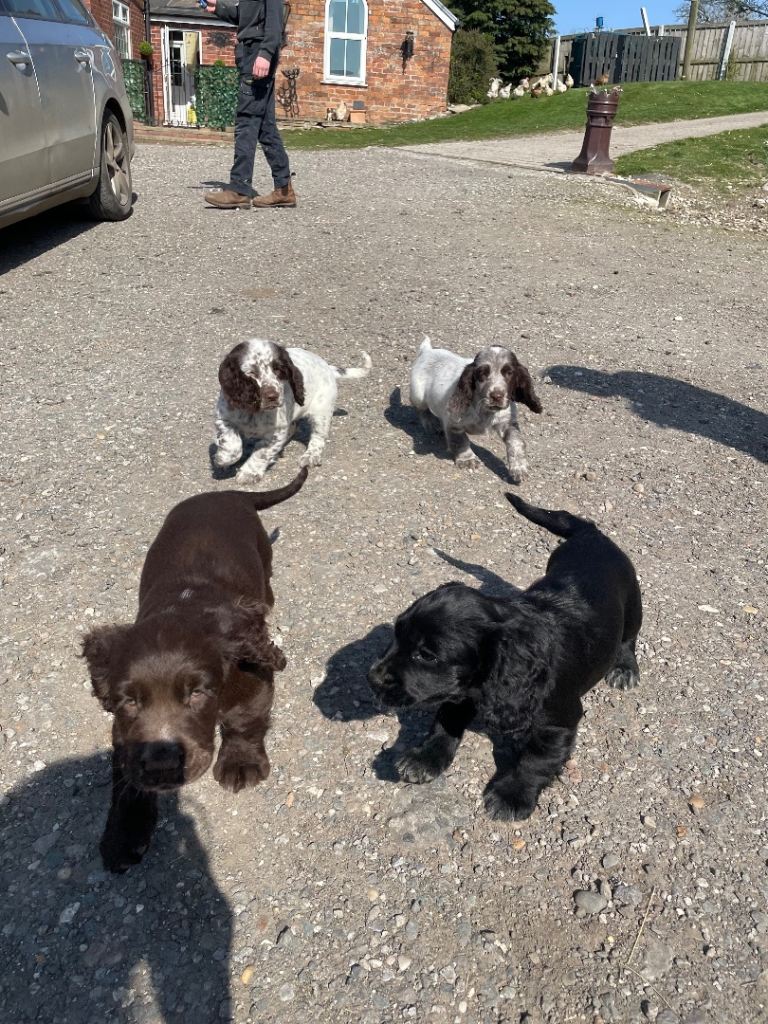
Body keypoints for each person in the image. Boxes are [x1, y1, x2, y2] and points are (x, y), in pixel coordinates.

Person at [203, 0, 296, 209]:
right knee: (265, 127)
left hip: (257, 54)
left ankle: (239, 188)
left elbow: (274, 19)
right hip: (250, 53)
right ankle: (284, 189)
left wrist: (265, 53)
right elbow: (247, 15)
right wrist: (218, 8)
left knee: (246, 121)